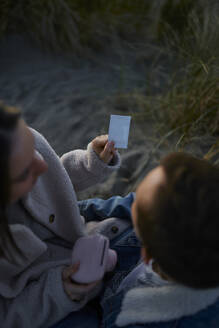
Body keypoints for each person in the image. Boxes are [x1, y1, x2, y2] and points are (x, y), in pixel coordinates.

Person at [0, 101, 124, 328]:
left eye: (34, 149)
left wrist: (91, 163)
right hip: (46, 304)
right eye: (24, 171)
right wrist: (62, 291)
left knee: (142, 203)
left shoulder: (17, 140)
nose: (43, 165)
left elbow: (55, 179)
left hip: (80, 231)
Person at [66, 152, 219, 328]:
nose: (132, 199)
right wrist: (74, 210)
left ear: (146, 254)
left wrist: (69, 297)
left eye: (136, 205)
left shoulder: (142, 321)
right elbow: (123, 205)